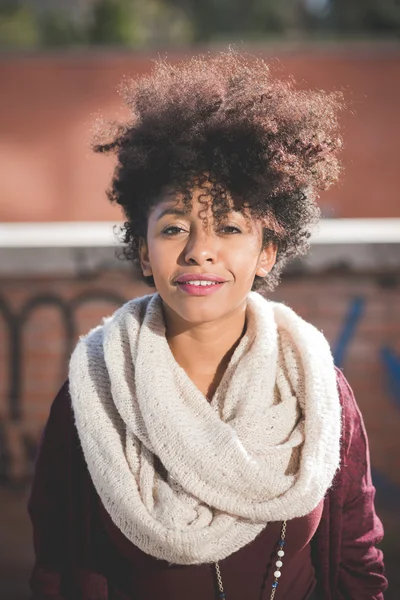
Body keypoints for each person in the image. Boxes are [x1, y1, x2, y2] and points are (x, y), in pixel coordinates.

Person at [28, 51, 387, 600]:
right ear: (143, 251)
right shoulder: (92, 397)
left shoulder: (319, 392)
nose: (200, 251)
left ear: (267, 251)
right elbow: (60, 570)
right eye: (174, 228)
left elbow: (356, 561)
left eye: (227, 226)